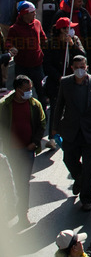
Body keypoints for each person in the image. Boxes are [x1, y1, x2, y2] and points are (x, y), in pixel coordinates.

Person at [52, 54, 91, 211]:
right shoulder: (65, 82)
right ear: (72, 68)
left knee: (89, 165)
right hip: (71, 130)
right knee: (69, 159)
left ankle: (86, 198)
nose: (79, 70)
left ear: (87, 67)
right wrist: (55, 127)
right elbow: (59, 106)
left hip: (90, 131)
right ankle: (79, 177)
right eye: (76, 68)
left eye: (82, 68)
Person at [0, 75, 46, 227]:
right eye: (26, 90)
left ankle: (22, 215)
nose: (29, 92)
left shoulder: (35, 105)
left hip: (27, 151)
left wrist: (34, 142)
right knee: (10, 183)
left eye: (31, 89)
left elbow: (41, 125)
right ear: (17, 90)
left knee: (22, 183)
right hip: (9, 152)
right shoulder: (5, 105)